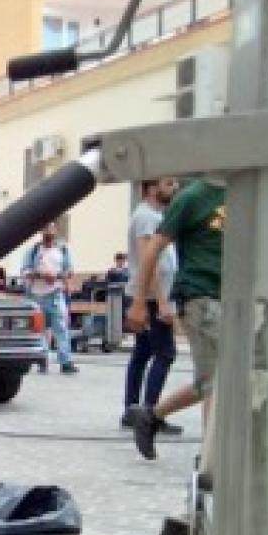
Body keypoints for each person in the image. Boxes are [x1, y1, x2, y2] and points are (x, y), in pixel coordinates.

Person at [126, 178, 225, 460]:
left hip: (235, 298)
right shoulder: (193, 197)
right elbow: (152, 250)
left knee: (214, 379)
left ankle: (151, 415)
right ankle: (211, 461)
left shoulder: (246, 191)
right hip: (201, 296)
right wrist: (140, 302)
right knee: (217, 381)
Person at [121, 178, 181, 434]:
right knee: (165, 353)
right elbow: (150, 260)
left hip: (148, 296)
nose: (175, 187)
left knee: (143, 353)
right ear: (150, 188)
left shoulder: (152, 216)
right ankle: (150, 413)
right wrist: (162, 302)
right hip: (151, 298)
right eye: (169, 183)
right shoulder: (147, 217)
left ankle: (132, 410)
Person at [21, 222, 78, 374]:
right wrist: (41, 275)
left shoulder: (63, 250)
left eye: (51, 228)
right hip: (36, 296)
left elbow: (70, 271)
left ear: (56, 231)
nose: (49, 231)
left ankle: (66, 362)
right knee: (40, 330)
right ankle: (42, 359)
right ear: (41, 231)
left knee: (61, 329)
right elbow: (25, 271)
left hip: (55, 294)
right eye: (45, 228)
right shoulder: (33, 251)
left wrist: (57, 276)